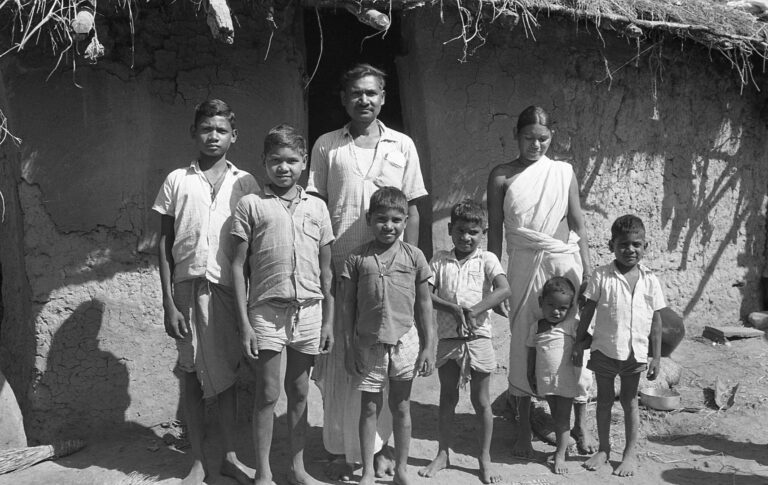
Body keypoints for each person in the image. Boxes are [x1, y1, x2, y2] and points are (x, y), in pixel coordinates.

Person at [308, 63, 428, 480]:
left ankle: (379, 450)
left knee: (387, 357)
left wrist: (408, 261)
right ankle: (348, 448)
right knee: (348, 360)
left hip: (390, 275)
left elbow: (411, 206)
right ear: (344, 99)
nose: (364, 100)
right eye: (356, 93)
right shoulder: (327, 145)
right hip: (345, 267)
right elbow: (317, 206)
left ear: (383, 98)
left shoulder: (403, 145)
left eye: (372, 93)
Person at [153, 99, 257, 485]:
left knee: (227, 375)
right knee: (192, 374)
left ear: (234, 136)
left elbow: (251, 248)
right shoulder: (177, 180)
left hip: (228, 290)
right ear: (193, 132)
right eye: (206, 128)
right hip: (186, 287)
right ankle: (197, 461)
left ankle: (229, 456)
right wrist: (168, 302)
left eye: (221, 130)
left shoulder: (245, 183)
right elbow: (163, 246)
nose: (213, 136)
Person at [487, 105, 596, 457]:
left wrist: (589, 266)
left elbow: (578, 222)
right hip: (522, 265)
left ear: (552, 137)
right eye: (529, 138)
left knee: (571, 339)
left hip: (564, 262)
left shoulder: (563, 172)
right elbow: (494, 233)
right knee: (523, 340)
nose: (536, 145)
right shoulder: (501, 175)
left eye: (543, 139)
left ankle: (580, 424)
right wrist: (494, 277)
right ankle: (522, 428)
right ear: (516, 137)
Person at [231, 124, 335, 485]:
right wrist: (244, 322)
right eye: (276, 160)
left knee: (300, 391)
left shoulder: (318, 209)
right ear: (263, 163)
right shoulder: (251, 205)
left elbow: (327, 272)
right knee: (268, 392)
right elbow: (236, 265)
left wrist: (328, 321)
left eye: (292, 160)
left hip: (309, 311)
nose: (284, 168)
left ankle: (297, 468)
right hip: (266, 312)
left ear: (304, 163)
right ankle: (263, 472)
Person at [341, 187, 436, 485]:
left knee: (401, 405)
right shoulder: (357, 258)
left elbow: (424, 304)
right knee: (369, 407)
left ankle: (402, 469)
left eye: (396, 220)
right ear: (369, 219)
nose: (389, 226)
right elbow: (347, 307)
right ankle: (368, 470)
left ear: (405, 221)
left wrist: (428, 346)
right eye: (381, 219)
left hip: (405, 341)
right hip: (368, 344)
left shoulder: (415, 256)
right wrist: (349, 346)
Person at [418, 199, 510, 484]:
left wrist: (476, 310)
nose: (466, 237)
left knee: (481, 401)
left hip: (478, 338)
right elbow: (425, 295)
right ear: (449, 229)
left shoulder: (488, 260)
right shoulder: (439, 260)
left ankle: (484, 458)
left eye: (474, 231)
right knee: (447, 397)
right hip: (448, 339)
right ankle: (443, 453)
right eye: (460, 230)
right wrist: (452, 309)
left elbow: (504, 290)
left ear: (483, 232)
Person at [572, 214, 664, 477]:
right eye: (623, 244)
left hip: (635, 353)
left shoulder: (650, 280)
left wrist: (655, 357)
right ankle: (603, 449)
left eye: (636, 244)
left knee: (629, 402)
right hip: (605, 349)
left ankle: (629, 454)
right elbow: (587, 311)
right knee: (602, 401)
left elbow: (656, 322)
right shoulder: (601, 276)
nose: (630, 250)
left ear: (646, 246)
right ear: (612, 245)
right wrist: (580, 341)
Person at [526, 277, 581, 475]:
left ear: (570, 308)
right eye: (551, 305)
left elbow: (586, 338)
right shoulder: (536, 326)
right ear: (541, 302)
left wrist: (579, 349)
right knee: (555, 414)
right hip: (546, 380)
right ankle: (561, 447)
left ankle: (560, 454)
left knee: (563, 418)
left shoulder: (570, 326)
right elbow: (531, 351)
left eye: (562, 308)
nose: (556, 311)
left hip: (565, 381)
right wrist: (530, 373)